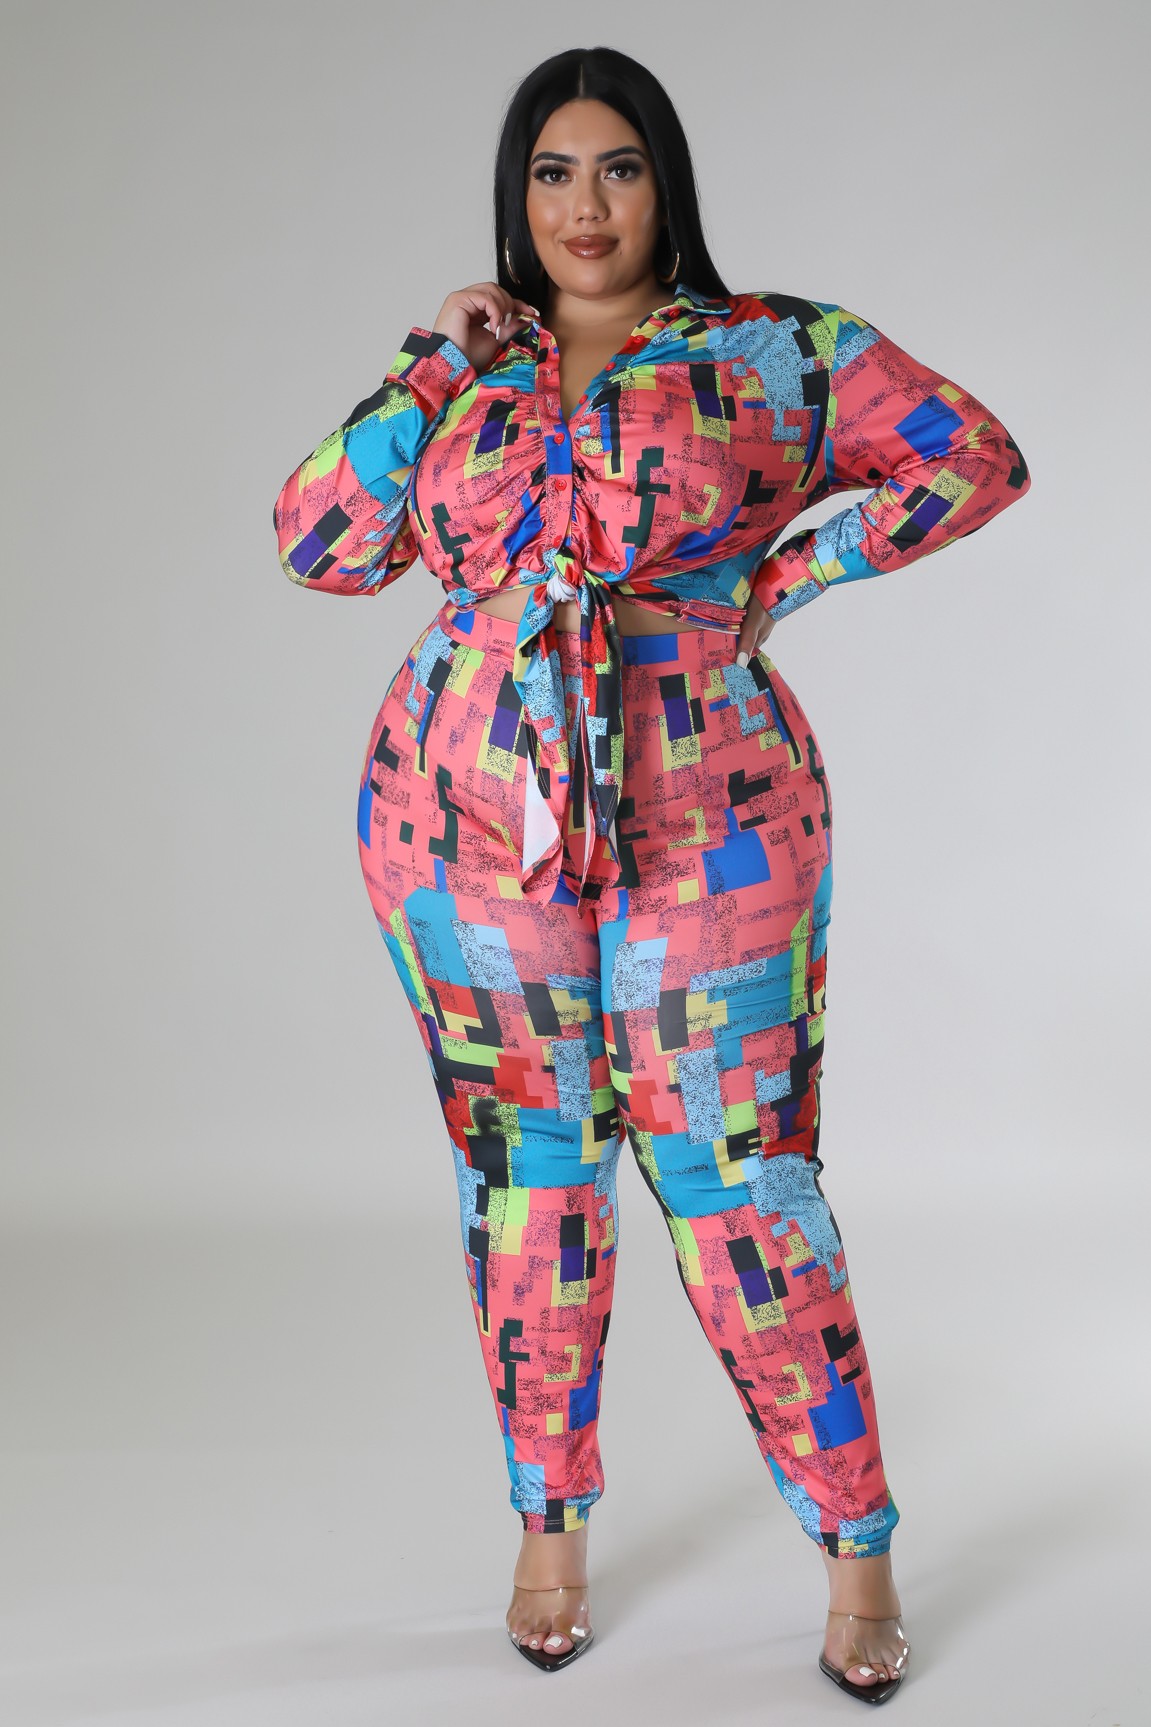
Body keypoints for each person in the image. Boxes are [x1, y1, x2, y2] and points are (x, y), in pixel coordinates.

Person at [272, 45, 1030, 1702]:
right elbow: (317, 541)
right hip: (460, 825)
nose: (586, 204)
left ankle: (858, 1541)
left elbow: (973, 456)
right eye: (552, 172)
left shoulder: (772, 349)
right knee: (528, 1176)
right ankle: (548, 1527)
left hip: (716, 811)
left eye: (617, 167)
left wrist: (791, 573)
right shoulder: (467, 373)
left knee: (742, 1184)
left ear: (665, 181)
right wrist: (427, 358)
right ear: (516, 197)